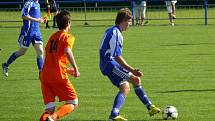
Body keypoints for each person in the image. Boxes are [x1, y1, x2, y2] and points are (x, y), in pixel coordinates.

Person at [99, 8, 160, 121]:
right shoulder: (116, 33)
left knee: (126, 86)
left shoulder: (110, 30)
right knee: (135, 80)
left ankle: (148, 107)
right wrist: (132, 70)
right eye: (129, 21)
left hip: (106, 64)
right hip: (110, 65)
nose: (130, 24)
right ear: (123, 20)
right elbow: (116, 57)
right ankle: (148, 107)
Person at [39, 10, 80, 121]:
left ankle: (49, 117)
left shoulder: (52, 37)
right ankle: (53, 118)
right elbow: (67, 50)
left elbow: (52, 60)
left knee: (49, 109)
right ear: (68, 23)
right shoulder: (67, 37)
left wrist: (67, 70)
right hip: (58, 77)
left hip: (45, 76)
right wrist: (75, 68)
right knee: (73, 102)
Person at [2, 0, 46, 77]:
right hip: (27, 32)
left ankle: (41, 73)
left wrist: (42, 20)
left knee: (40, 51)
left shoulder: (38, 4)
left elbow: (36, 18)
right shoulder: (29, 3)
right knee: (22, 52)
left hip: (36, 32)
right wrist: (37, 20)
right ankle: (6, 64)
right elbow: (24, 15)